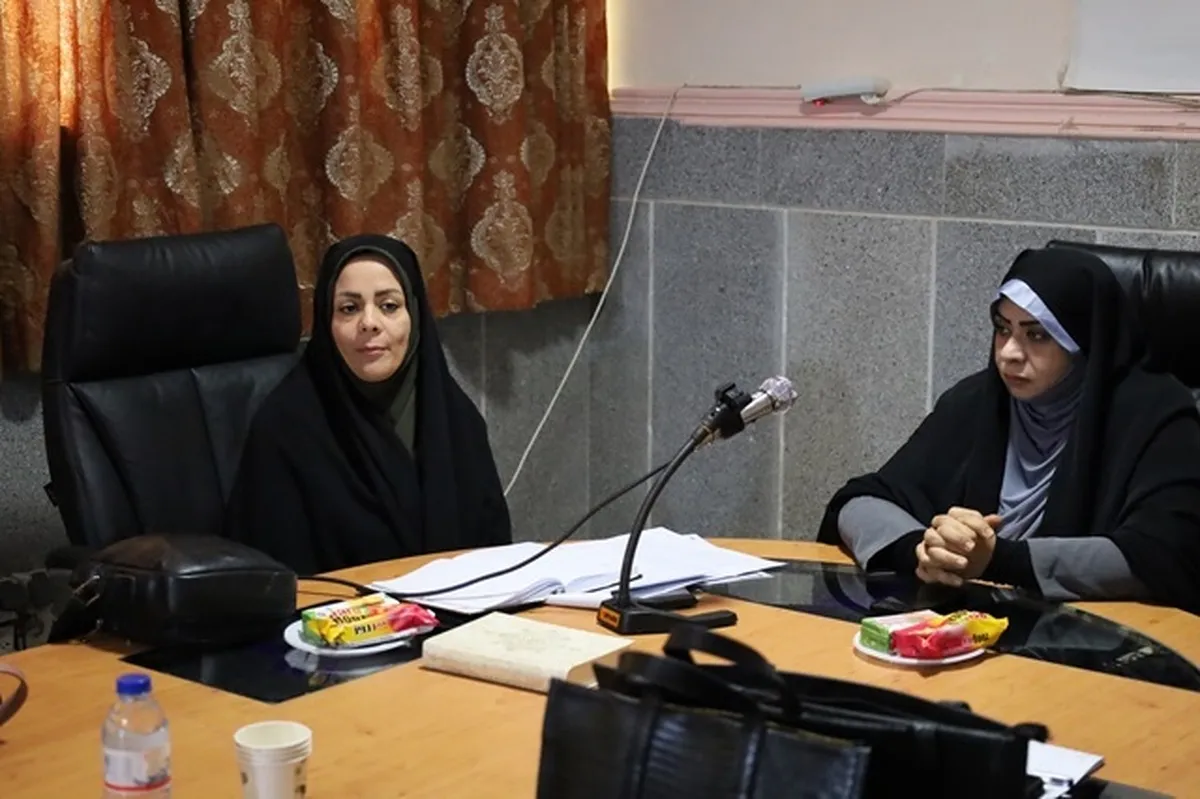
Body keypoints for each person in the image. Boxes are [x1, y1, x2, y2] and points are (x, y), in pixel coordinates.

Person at [819, 246, 1200, 614]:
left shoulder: (1155, 414)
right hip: (968, 626)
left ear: (1083, 341)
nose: (1008, 353)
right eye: (1003, 329)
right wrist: (925, 550)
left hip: (1096, 637)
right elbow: (860, 500)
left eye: (1037, 335)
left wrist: (998, 559)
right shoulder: (977, 400)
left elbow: (1166, 554)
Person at [224, 234, 511, 574]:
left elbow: (495, 558)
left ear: (415, 315)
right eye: (349, 308)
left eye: (389, 306)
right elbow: (274, 581)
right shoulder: (284, 430)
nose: (369, 323)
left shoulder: (457, 420)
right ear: (326, 323)